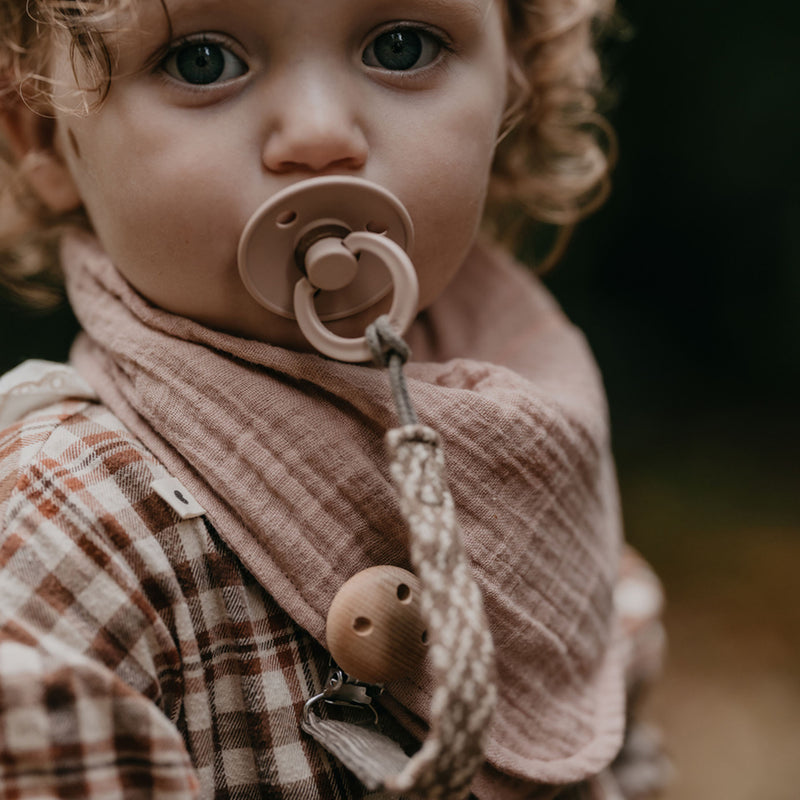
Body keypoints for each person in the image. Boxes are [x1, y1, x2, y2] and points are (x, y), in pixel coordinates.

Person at [0, 0, 667, 797]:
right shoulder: (70, 530)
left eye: (402, 45)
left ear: (513, 77)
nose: (320, 134)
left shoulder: (528, 432)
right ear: (39, 131)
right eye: (201, 61)